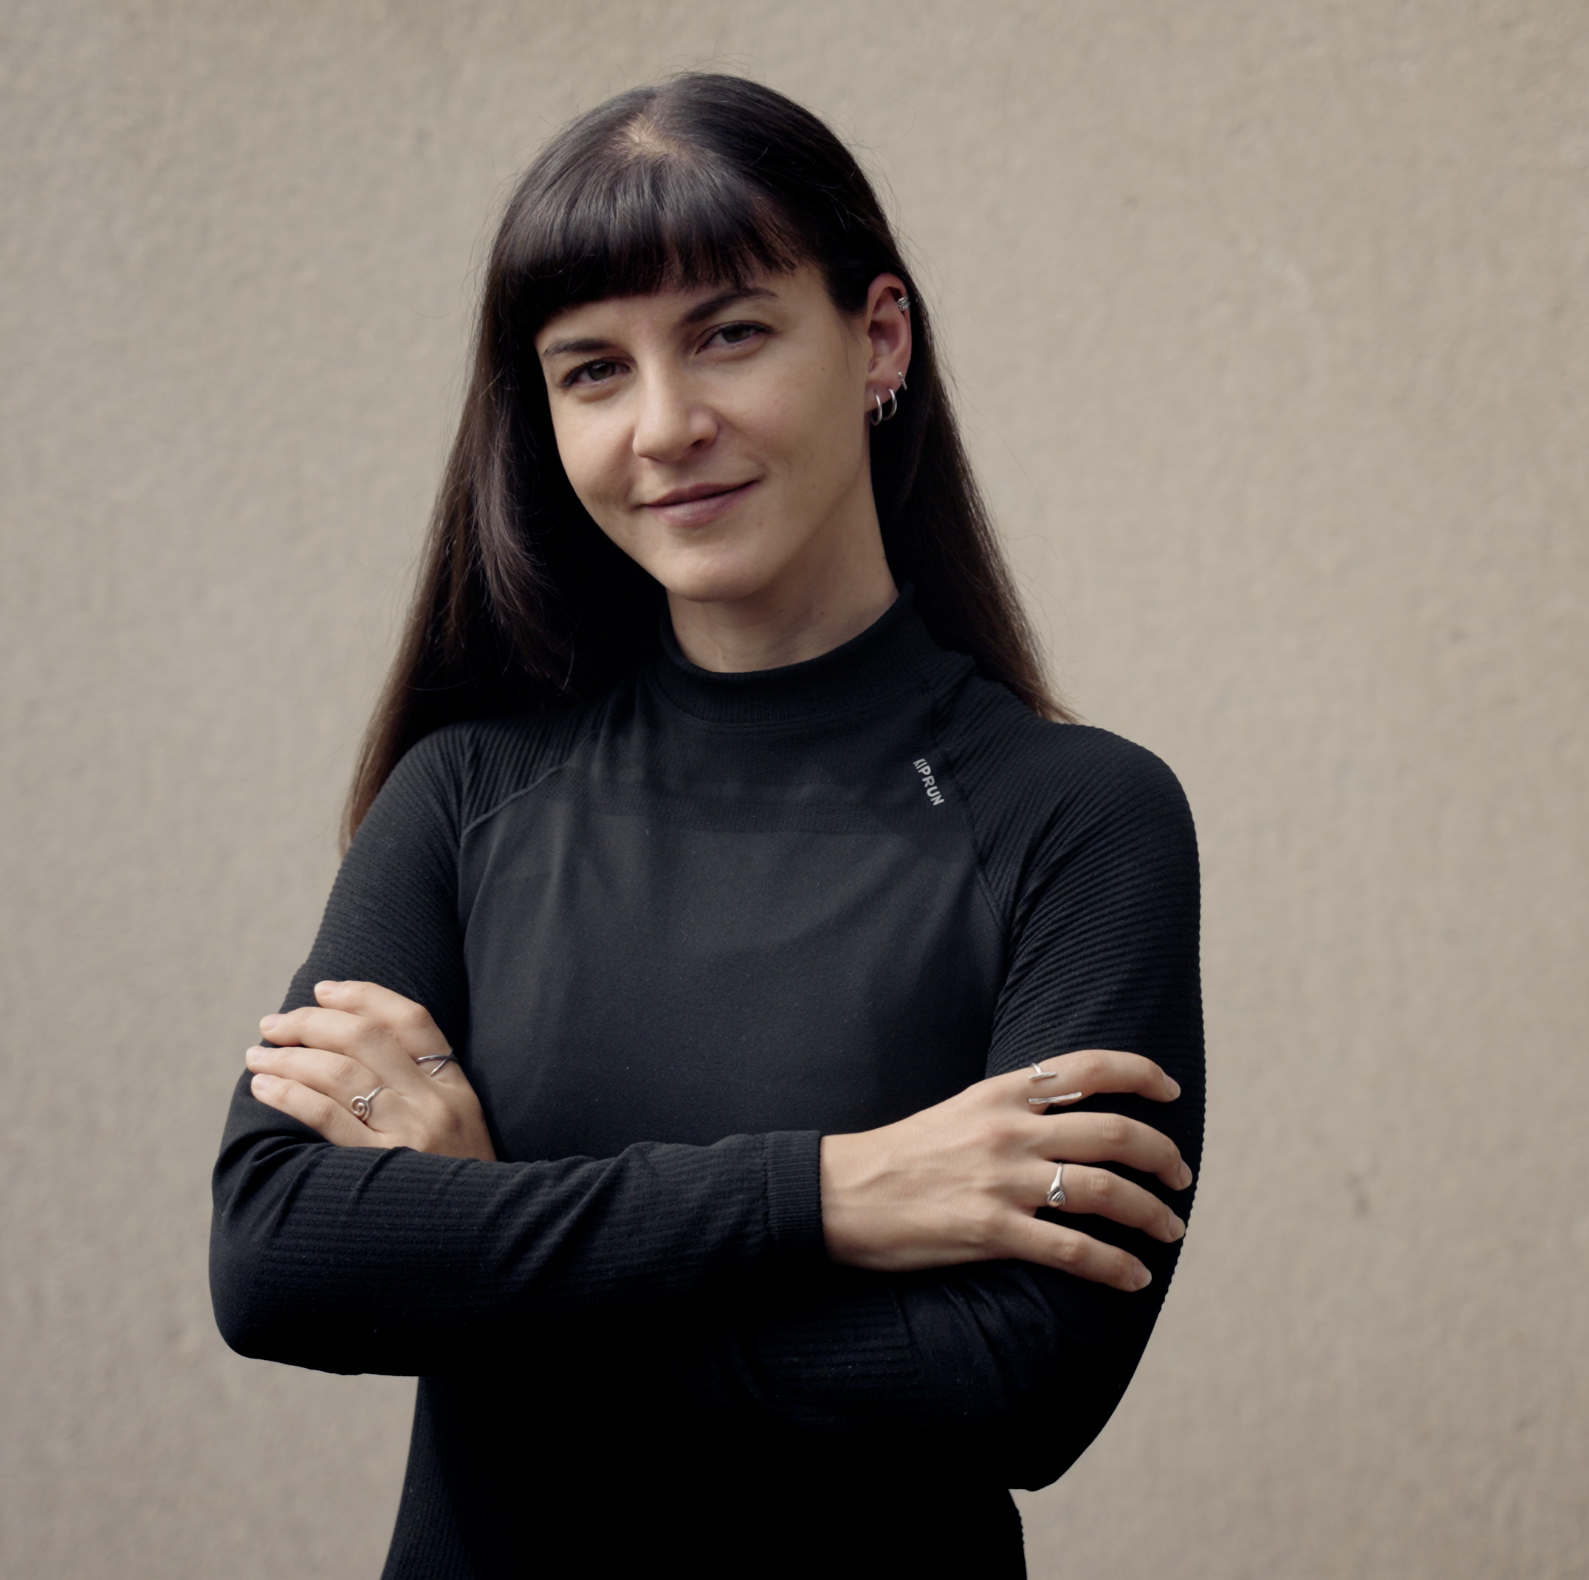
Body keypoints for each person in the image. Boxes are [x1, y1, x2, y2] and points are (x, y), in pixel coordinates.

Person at [211, 73, 1202, 1579]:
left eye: (729, 333)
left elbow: (1018, 1385)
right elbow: (278, 1259)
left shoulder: (1079, 818)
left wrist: (480, 1245)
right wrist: (828, 1195)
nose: (665, 425)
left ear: (877, 337)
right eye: (591, 369)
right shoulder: (466, 795)